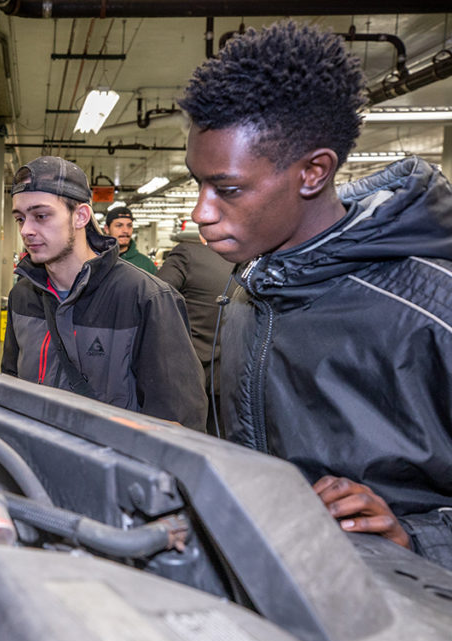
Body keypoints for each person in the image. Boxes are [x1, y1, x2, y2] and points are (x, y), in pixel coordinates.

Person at [177, 21, 452, 568]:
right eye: (198, 184)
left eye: (228, 190)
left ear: (313, 172)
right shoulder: (250, 289)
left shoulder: (433, 309)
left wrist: (416, 539)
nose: (201, 213)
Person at [1, 155, 207, 431]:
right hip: (34, 462)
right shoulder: (22, 295)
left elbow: (180, 419)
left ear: (81, 216)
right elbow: (10, 385)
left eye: (41, 216)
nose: (26, 230)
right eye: (20, 218)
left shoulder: (145, 298)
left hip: (112, 468)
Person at [155, 231, 238, 436]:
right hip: (232, 378)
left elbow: (155, 297)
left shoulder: (187, 255)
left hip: (188, 376)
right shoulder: (250, 261)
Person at [103, 206, 157, 274]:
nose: (126, 230)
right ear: (107, 229)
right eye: (119, 225)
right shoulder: (97, 260)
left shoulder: (146, 265)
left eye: (129, 226)